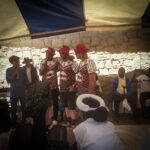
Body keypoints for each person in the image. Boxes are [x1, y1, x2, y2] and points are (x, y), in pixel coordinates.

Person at [58, 45, 78, 126]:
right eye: (60, 53)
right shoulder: (61, 62)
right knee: (65, 106)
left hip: (70, 89)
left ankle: (73, 123)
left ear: (66, 53)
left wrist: (73, 86)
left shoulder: (73, 63)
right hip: (62, 89)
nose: (60, 55)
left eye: (62, 53)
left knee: (71, 107)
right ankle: (69, 121)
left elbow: (80, 75)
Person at [6, 55, 28, 125]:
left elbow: (26, 81)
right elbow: (8, 80)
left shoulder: (23, 70)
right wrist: (13, 74)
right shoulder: (9, 70)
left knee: (24, 109)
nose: (18, 63)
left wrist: (25, 87)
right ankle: (13, 123)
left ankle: (23, 122)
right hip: (14, 93)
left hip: (22, 92)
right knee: (13, 109)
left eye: (18, 61)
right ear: (12, 62)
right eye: (16, 61)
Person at [40, 47, 59, 123]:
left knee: (55, 102)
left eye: (48, 54)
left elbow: (61, 65)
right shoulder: (43, 61)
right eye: (46, 53)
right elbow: (40, 73)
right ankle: (45, 117)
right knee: (45, 102)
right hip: (45, 86)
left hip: (54, 85)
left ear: (52, 54)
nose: (47, 55)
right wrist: (44, 67)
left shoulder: (56, 61)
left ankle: (55, 118)